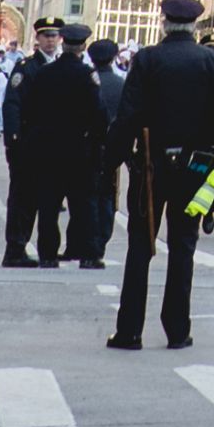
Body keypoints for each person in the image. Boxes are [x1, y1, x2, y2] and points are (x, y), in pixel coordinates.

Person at [106, 0, 214, 350]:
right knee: (183, 247)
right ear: (194, 26)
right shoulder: (212, 62)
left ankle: (130, 330)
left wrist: (112, 158)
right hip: (196, 167)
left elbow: (128, 113)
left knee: (139, 247)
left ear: (164, 23)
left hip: (150, 165)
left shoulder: (148, 59)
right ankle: (177, 329)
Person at [23, 23, 106, 266]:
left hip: (48, 148)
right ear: (83, 46)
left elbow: (31, 110)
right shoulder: (87, 75)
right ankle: (88, 254)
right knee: (84, 204)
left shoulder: (44, 73)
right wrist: (98, 144)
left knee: (48, 204)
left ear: (63, 42)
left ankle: (48, 254)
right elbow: (98, 113)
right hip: (79, 149)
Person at [1, 16, 63, 266]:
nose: (50, 40)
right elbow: (13, 104)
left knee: (49, 199)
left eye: (54, 36)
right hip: (28, 143)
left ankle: (47, 250)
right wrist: (12, 140)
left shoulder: (62, 65)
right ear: (37, 38)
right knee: (23, 198)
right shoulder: (26, 67)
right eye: (46, 36)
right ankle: (15, 248)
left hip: (52, 144)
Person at [80, 36, 126, 266]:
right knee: (107, 197)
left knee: (86, 197)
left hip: (84, 147)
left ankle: (84, 243)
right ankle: (99, 243)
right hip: (111, 148)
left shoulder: (84, 80)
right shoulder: (121, 84)